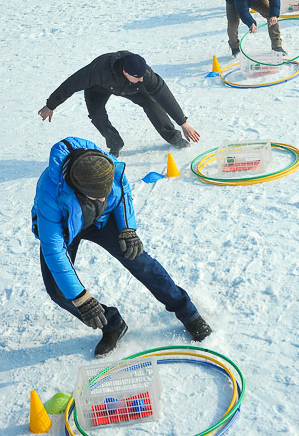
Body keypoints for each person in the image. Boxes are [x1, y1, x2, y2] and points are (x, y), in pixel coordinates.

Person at [32, 137, 212, 357]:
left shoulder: (107, 167)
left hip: (103, 220)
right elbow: (54, 250)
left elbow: (123, 192)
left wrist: (128, 229)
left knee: (139, 260)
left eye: (105, 194)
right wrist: (82, 299)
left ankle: (188, 313)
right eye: (96, 196)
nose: (102, 199)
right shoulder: (50, 194)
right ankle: (113, 324)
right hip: (65, 226)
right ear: (78, 189)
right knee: (59, 290)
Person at [38, 51, 200, 156]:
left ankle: (174, 138)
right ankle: (115, 142)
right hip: (99, 88)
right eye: (138, 77)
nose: (142, 79)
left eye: (143, 76)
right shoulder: (98, 70)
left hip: (133, 89)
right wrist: (51, 105)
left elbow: (164, 95)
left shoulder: (144, 76)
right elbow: (71, 85)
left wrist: (183, 123)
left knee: (152, 104)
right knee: (96, 115)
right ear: (125, 72)